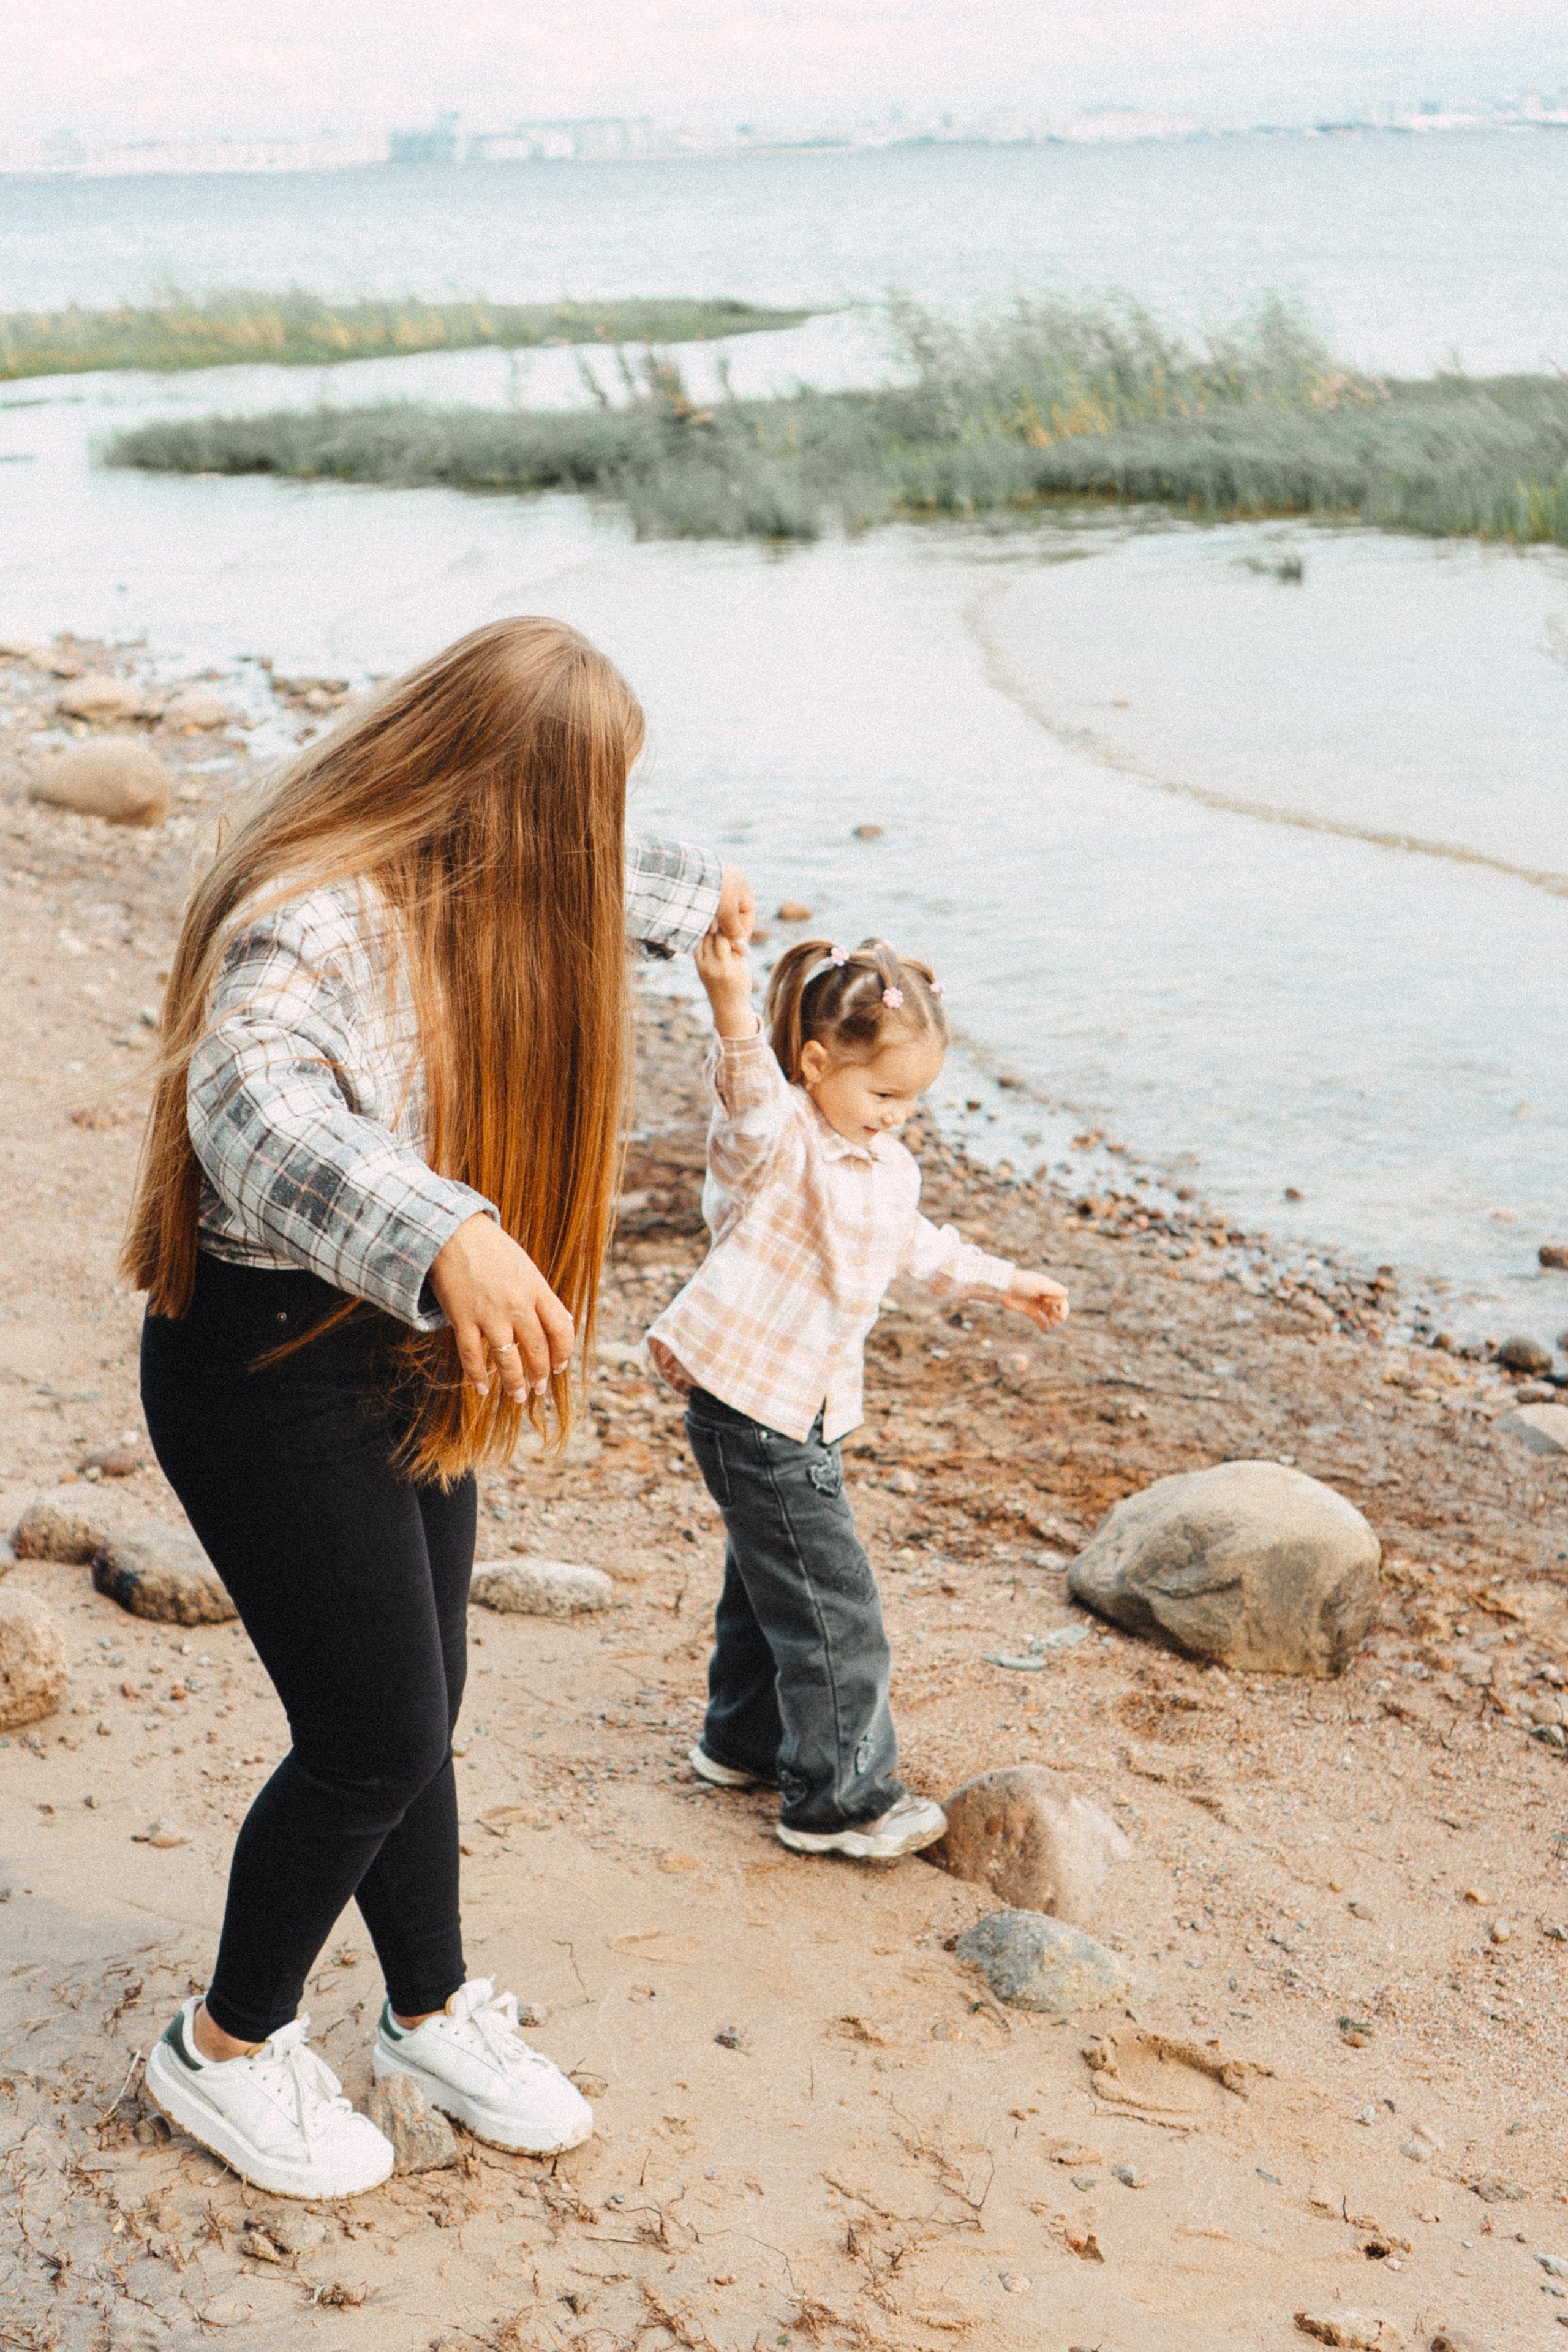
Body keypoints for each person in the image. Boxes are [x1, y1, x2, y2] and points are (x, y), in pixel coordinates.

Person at [127, 616, 753, 2199]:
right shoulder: (311, 919)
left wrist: (722, 909)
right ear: (487, 785)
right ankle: (224, 2048)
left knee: (426, 1709)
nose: (598, 837)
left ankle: (425, 2009)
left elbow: (605, 865)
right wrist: (447, 1232)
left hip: (389, 1360)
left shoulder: (490, 859)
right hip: (262, 1365)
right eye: (590, 797)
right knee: (369, 1734)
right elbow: (249, 1106)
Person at [647, 933, 1069, 1861]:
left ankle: (742, 1742)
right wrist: (729, 1006)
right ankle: (837, 1800)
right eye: (882, 1094)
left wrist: (1006, 1281)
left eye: (914, 1101)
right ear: (814, 1063)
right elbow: (748, 1100)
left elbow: (920, 1247)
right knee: (838, 1609)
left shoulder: (886, 1166)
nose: (897, 1117)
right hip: (752, 1404)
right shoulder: (778, 1143)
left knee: (772, 1581)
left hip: (806, 1405)